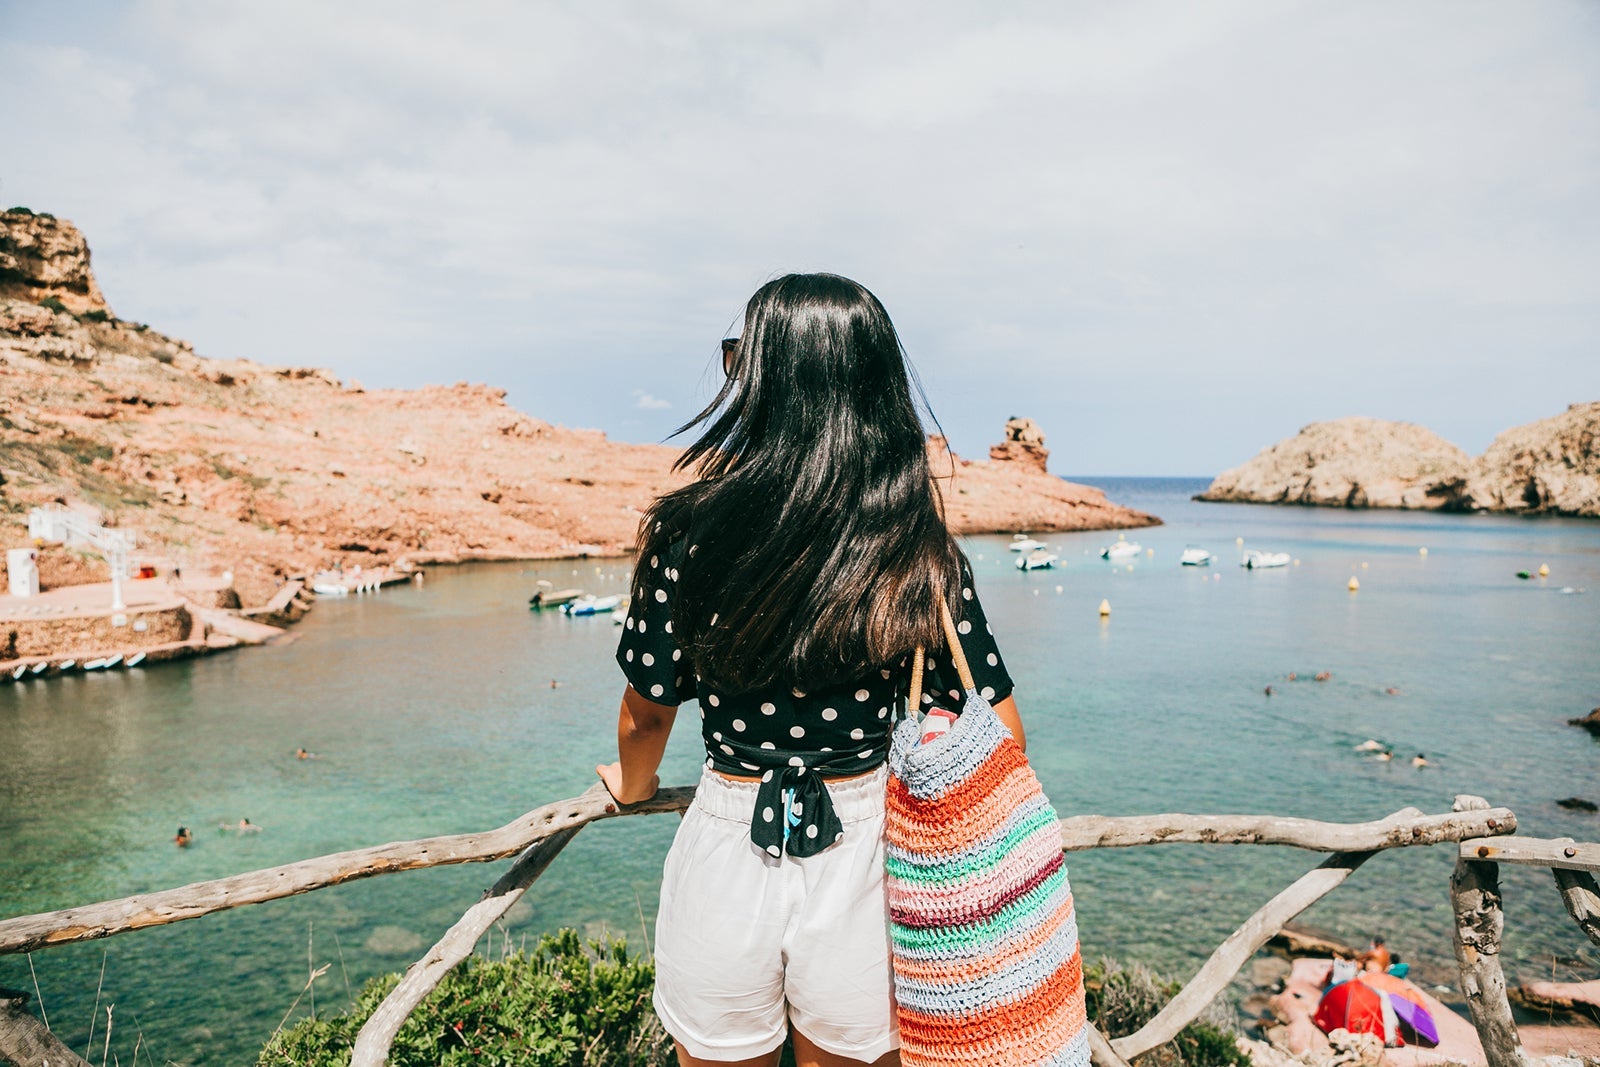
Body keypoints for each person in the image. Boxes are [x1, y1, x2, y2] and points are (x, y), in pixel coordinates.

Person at [598, 274, 1024, 1067]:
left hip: (731, 837)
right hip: (872, 853)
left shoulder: (688, 531)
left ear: (765, 383)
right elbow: (998, 727)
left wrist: (632, 785)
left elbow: (649, 709)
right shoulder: (915, 543)